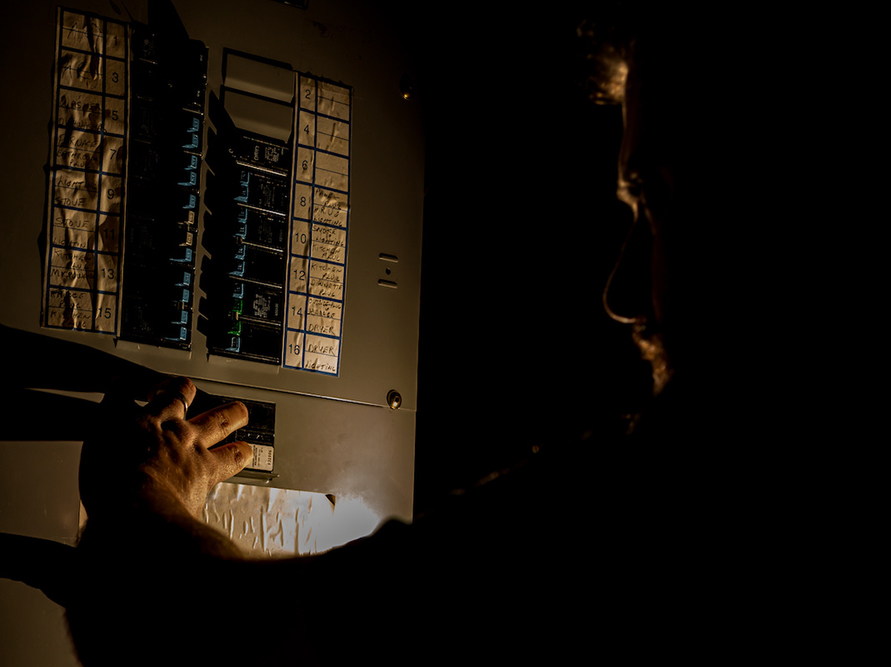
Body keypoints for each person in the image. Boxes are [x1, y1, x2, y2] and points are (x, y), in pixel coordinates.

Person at [64, 6, 722, 663]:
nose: (620, 295)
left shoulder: (635, 507)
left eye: (658, 201)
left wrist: (145, 496)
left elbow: (180, 626)